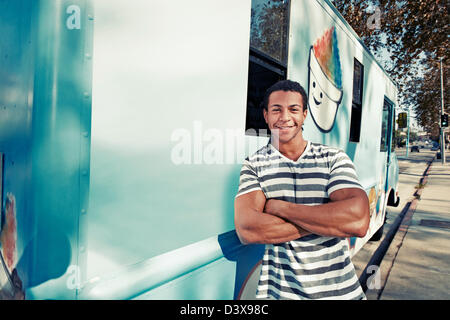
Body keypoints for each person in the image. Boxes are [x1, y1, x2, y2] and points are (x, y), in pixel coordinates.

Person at [234, 80, 370, 300]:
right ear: (266, 116)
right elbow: (248, 230)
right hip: (280, 295)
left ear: (305, 114)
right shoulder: (254, 165)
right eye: (276, 110)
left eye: (294, 109)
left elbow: (358, 220)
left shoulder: (333, 158)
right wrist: (329, 220)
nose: (285, 117)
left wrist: (280, 207)